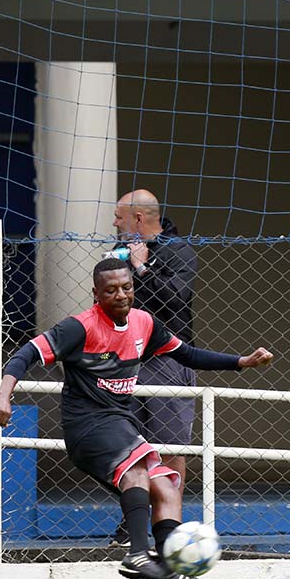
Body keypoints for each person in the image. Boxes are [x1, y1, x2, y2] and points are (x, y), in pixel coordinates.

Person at [0, 257, 273, 579]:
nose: (121, 295)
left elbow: (188, 355)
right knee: (136, 469)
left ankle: (170, 568)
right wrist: (3, 395)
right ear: (96, 294)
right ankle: (138, 554)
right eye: (111, 290)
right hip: (87, 427)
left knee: (167, 488)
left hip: (120, 424)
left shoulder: (144, 323)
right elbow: (26, 353)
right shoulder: (79, 327)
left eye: (127, 287)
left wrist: (241, 361)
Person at [108, 189, 198, 546]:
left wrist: (142, 268)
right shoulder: (120, 253)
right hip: (126, 360)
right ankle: (134, 521)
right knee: (129, 447)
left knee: (170, 446)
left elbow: (176, 298)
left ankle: (169, 524)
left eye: (119, 217)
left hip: (167, 360)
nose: (114, 222)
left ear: (138, 218)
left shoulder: (178, 251)